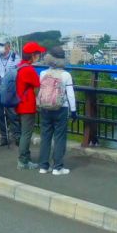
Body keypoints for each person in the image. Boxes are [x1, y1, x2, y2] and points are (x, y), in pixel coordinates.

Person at [37, 46, 77, 175]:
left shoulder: (43, 74)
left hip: (45, 108)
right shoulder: (66, 75)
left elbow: (40, 91)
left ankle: (43, 166)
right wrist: (74, 111)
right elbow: (70, 94)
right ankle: (57, 167)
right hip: (61, 108)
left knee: (45, 137)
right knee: (59, 137)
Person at [16, 41, 46, 170]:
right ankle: (23, 161)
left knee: (24, 132)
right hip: (27, 105)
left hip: (19, 103)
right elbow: (39, 85)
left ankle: (25, 158)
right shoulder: (28, 69)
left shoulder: (20, 66)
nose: (39, 56)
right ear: (33, 55)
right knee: (26, 134)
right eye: (38, 54)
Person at [0, 38, 21, 147]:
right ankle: (4, 137)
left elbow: (19, 73)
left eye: (1, 45)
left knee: (13, 115)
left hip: (10, 92)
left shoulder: (15, 58)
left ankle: (17, 136)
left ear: (8, 46)